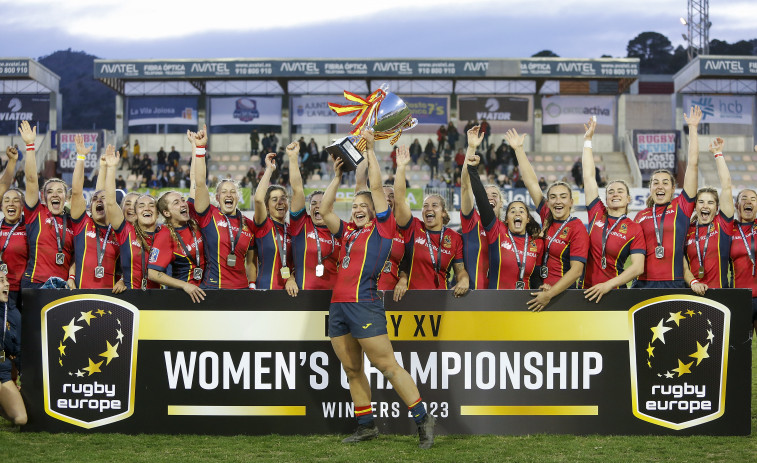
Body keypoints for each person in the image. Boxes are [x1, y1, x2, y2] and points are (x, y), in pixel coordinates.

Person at [319, 129, 436, 449]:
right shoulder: (348, 234)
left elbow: (373, 185)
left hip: (365, 304)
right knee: (352, 368)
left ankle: (423, 419)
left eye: (362, 205)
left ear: (373, 210)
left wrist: (371, 151)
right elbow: (326, 211)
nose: (356, 208)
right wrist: (336, 177)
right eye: (354, 205)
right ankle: (366, 425)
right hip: (338, 307)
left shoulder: (383, 229)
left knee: (387, 365)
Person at [506, 128, 589, 311]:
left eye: (562, 197)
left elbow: (576, 271)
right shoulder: (546, 215)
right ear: (548, 201)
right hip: (538, 291)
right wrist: (519, 149)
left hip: (561, 296)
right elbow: (532, 183)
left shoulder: (577, 228)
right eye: (553, 197)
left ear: (571, 201)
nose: (557, 201)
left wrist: (550, 294)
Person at [633, 107, 701, 288]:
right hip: (643, 283)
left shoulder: (682, 207)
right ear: (650, 188)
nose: (660, 186)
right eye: (655, 182)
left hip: (675, 282)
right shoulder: (640, 216)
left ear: (673, 189)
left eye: (665, 183)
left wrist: (693, 129)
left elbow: (693, 165)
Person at [580, 118, 645, 303]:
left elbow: (637, 268)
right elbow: (589, 176)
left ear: (628, 199)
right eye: (610, 191)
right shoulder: (597, 212)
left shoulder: (634, 228)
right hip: (585, 291)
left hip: (615, 294)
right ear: (606, 197)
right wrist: (587, 141)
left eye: (620, 191)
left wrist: (608, 285)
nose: (615, 194)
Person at [465, 140, 543, 289]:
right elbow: (482, 202)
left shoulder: (537, 242)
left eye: (521, 211)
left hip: (524, 304)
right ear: (506, 220)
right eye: (512, 211)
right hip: (496, 302)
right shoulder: (498, 231)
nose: (517, 213)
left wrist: (540, 286)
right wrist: (473, 170)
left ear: (527, 219)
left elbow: (536, 276)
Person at [395, 145, 469, 295]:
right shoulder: (414, 227)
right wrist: (401, 167)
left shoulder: (455, 238)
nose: (429, 208)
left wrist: (464, 279)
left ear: (443, 213)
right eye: (425, 206)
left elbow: (459, 270)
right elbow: (399, 201)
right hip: (410, 298)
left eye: (434, 205)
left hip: (440, 299)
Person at [189, 127, 257, 289]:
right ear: (217, 198)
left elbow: (251, 261)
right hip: (213, 289)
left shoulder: (248, 223)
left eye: (233, 192)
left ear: (238, 197)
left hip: (241, 291)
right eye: (224, 192)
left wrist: (252, 285)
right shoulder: (209, 215)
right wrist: (199, 149)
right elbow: (199, 183)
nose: (229, 195)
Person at [19, 121, 74, 288]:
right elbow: (31, 180)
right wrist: (30, 146)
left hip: (62, 286)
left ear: (66, 197)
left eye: (60, 191)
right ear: (43, 196)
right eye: (50, 191)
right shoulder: (36, 212)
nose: (55, 194)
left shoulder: (73, 221)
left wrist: (71, 277)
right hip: (35, 283)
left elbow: (76, 257)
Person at [285, 142, 342, 295]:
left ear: (331, 207)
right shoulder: (301, 224)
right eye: (314, 203)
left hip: (334, 297)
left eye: (322, 203)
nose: (317, 206)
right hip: (303, 296)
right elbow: (297, 190)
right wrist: (293, 158)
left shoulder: (339, 229)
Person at [102, 145, 161, 291]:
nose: (146, 209)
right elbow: (110, 202)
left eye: (150, 206)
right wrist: (111, 168)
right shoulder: (126, 231)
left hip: (158, 297)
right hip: (129, 294)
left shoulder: (164, 232)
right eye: (127, 203)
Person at [683, 137, 734, 295]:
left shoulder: (723, 224)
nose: (705, 206)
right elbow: (682, 264)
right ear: (695, 206)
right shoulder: (686, 229)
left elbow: (726, 187)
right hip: (692, 293)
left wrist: (718, 154)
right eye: (701, 202)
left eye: (710, 203)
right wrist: (694, 282)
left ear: (717, 207)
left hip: (720, 294)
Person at [70, 137, 120, 289]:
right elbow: (77, 192)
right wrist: (80, 157)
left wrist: (123, 279)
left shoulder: (120, 230)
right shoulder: (83, 224)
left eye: (103, 199)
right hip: (80, 294)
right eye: (94, 199)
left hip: (110, 298)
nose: (98, 201)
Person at [459, 126, 502, 289]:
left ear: (501, 202)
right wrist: (471, 148)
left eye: (494, 195)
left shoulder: (507, 228)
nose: (489, 197)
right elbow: (465, 186)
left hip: (500, 300)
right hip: (470, 296)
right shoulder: (472, 222)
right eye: (485, 195)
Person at [148, 189, 207, 303]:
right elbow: (152, 273)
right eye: (176, 202)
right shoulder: (165, 234)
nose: (183, 204)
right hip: (184, 297)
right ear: (167, 213)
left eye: (183, 200)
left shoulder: (193, 223)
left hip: (205, 290)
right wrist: (185, 286)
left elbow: (195, 185)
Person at [253, 152, 293, 290]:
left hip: (291, 290)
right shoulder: (263, 225)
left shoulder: (292, 229)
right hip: (266, 290)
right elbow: (258, 199)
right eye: (274, 200)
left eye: (283, 198)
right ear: (267, 206)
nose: (280, 202)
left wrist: (292, 278)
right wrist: (269, 169)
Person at [0, 273, 26, 427]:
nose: (7, 284)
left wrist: (26, 378)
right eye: (1, 281)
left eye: (7, 280)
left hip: (2, 372)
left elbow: (18, 349)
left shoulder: (12, 312)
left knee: (21, 419)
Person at [731, 187, 757, 337]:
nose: (749, 201)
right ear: (736, 205)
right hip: (741, 298)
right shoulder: (729, 230)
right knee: (742, 351)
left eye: (753, 199)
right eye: (744, 198)